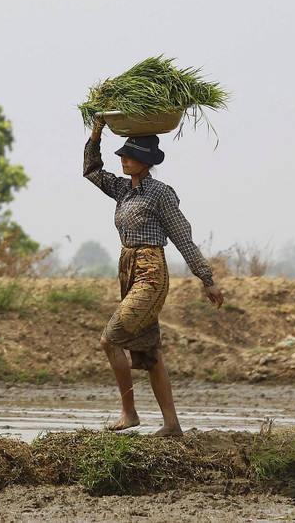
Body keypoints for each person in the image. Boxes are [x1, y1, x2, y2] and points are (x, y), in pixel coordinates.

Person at [84, 117, 224, 437]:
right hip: (129, 272)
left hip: (151, 273)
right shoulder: (122, 189)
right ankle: (172, 425)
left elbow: (182, 236)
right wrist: (96, 132)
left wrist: (207, 278)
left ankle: (129, 413)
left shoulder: (160, 193)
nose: (123, 159)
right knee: (150, 352)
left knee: (109, 339)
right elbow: (91, 170)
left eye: (129, 155)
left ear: (145, 161)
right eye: (122, 154)